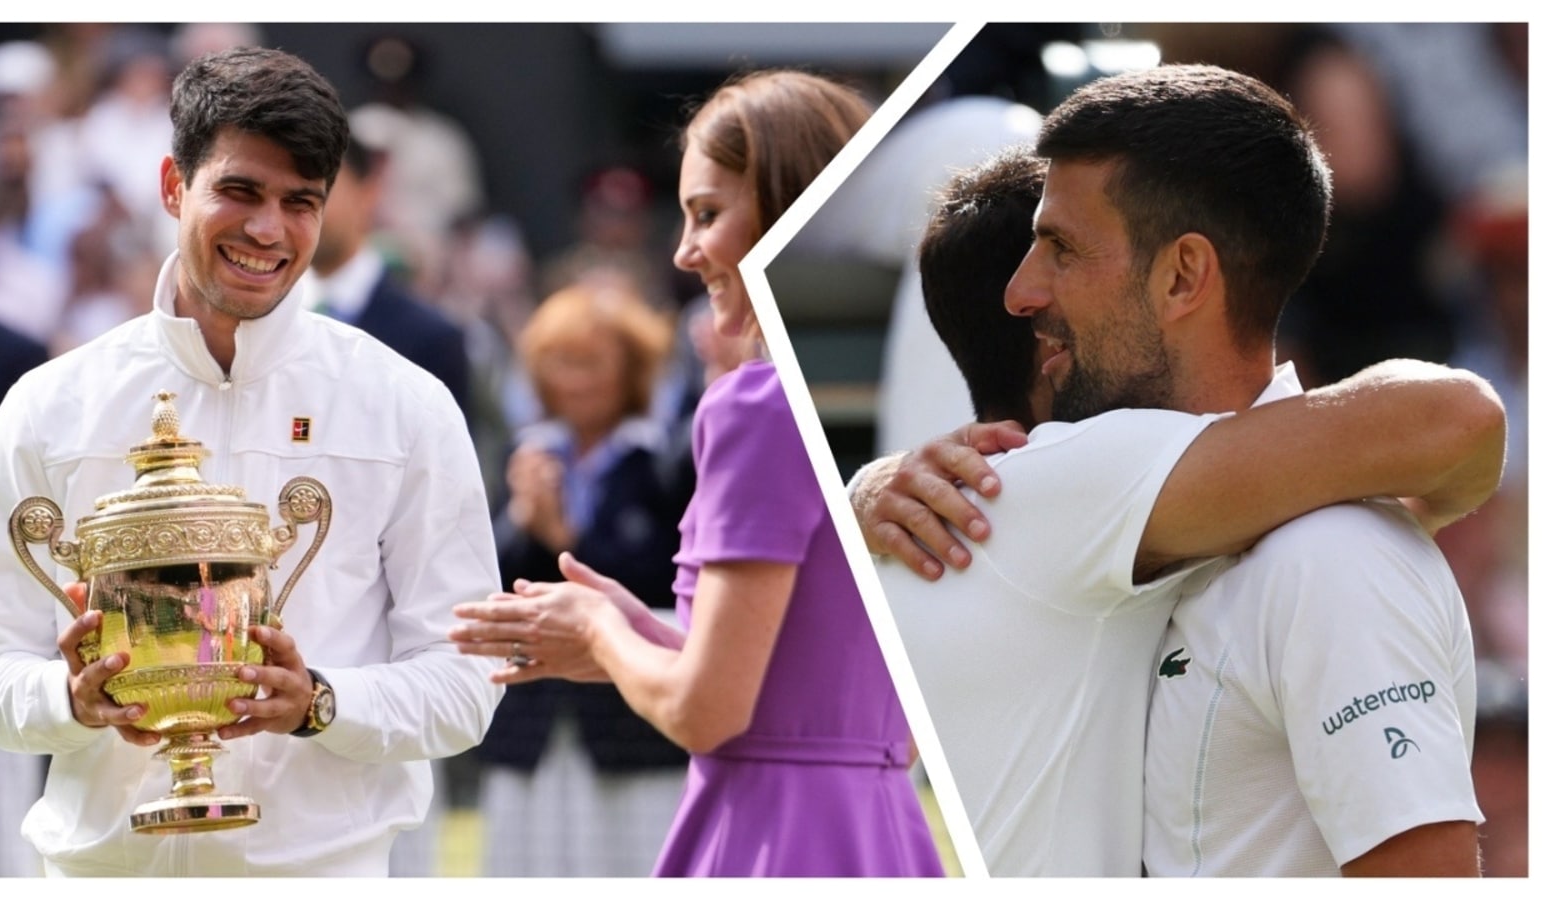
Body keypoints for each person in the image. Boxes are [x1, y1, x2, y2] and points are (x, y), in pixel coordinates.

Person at [856, 65, 1501, 876]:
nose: (1025, 289)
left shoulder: (1332, 556)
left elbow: (1458, 417)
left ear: (1184, 275)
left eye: (1059, 248)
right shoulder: (1071, 501)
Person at [0, 46, 502, 877]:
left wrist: (321, 701)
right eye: (240, 191)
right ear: (172, 185)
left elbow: (467, 680)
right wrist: (69, 700)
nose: (267, 230)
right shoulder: (50, 405)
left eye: (300, 202)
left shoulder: (406, 403)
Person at [452, 69, 945, 877]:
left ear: (788, 208)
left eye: (708, 215)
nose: (684, 252)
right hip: (879, 827)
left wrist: (601, 632)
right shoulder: (859, 394)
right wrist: (640, 629)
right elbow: (815, 683)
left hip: (766, 838)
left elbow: (707, 711)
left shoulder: (751, 405)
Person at [473, 283, 690, 876]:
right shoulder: (526, 456)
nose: (574, 380)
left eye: (591, 362)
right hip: (533, 719)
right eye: (560, 362)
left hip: (632, 722)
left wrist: (567, 540)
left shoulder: (666, 460)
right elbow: (485, 578)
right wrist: (524, 519)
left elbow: (667, 581)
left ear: (631, 370)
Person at [308, 132, 473, 423]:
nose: (304, 205)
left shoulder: (431, 337)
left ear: (368, 193)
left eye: (322, 188)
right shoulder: (257, 317)